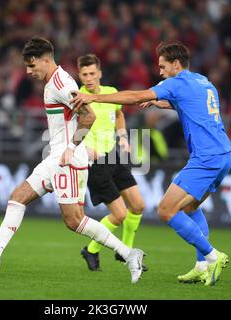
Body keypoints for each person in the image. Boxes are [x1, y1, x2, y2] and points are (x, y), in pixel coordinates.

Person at [0, 37, 145, 284]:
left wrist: (71, 147)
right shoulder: (53, 82)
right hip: (55, 157)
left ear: (45, 60)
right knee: (17, 198)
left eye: (31, 65)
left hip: (68, 159)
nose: (28, 71)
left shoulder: (61, 83)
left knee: (74, 221)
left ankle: (129, 253)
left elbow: (88, 116)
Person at [71, 42, 231, 286]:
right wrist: (162, 103)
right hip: (224, 155)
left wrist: (94, 97)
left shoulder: (177, 82)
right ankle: (201, 266)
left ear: (176, 65)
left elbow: (136, 97)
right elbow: (188, 104)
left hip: (206, 157)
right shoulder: (203, 82)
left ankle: (212, 256)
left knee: (166, 210)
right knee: (190, 208)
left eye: (163, 66)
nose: (160, 72)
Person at [77, 54, 147, 272]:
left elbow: (118, 115)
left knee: (138, 206)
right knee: (119, 214)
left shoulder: (111, 93)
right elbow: (68, 127)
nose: (88, 78)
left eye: (91, 73)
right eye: (84, 74)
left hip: (113, 156)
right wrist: (83, 148)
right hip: (95, 162)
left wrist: (123, 137)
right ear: (79, 75)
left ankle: (124, 250)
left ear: (99, 73)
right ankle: (91, 249)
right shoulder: (77, 97)